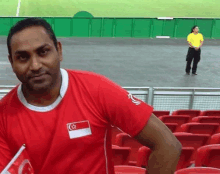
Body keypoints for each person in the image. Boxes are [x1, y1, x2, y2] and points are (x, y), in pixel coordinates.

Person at [0, 18, 182, 174]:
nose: (35, 65)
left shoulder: (97, 89)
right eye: (23, 57)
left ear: (59, 50)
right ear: (11, 62)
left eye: (43, 52)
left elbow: (168, 145)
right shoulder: (3, 116)